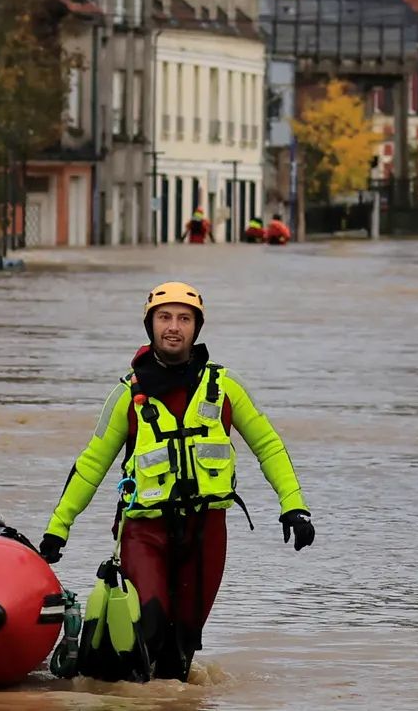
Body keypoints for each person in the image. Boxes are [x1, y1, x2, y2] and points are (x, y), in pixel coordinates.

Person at [37, 281, 313, 681]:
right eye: (164, 317)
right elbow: (91, 464)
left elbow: (269, 446)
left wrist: (294, 505)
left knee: (182, 649)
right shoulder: (126, 395)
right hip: (145, 533)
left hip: (205, 533)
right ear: (150, 325)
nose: (174, 327)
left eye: (184, 319)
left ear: (196, 328)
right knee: (147, 629)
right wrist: (57, 529)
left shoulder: (225, 387)